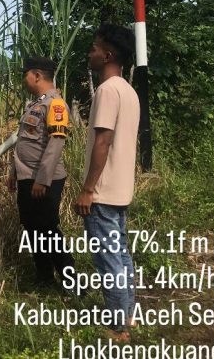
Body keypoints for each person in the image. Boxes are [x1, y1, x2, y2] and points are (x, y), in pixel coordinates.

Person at [74, 23, 140, 341]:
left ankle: (118, 327)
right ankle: (127, 312)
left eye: (94, 48)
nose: (91, 54)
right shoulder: (129, 91)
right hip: (121, 187)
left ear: (108, 54)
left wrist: (87, 190)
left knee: (108, 258)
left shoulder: (107, 90)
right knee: (121, 254)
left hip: (103, 191)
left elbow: (103, 141)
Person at [7, 56, 75, 288]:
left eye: (26, 75)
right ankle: (44, 276)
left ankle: (71, 282)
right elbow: (24, 142)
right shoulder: (34, 105)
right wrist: (13, 173)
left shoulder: (55, 105)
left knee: (47, 230)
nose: (24, 80)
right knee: (32, 228)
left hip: (44, 180)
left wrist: (42, 180)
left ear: (37, 75)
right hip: (28, 178)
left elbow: (55, 144)